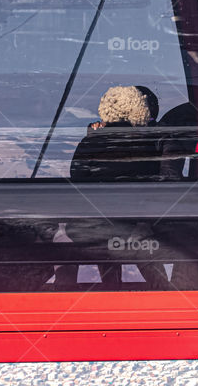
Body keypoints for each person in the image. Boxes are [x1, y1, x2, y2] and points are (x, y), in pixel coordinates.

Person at [61, 86, 173, 290]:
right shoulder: (148, 143)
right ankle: (166, 299)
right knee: (154, 273)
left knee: (84, 253)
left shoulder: (91, 140)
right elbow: (158, 182)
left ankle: (66, 296)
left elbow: (77, 176)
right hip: (134, 228)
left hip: (92, 228)